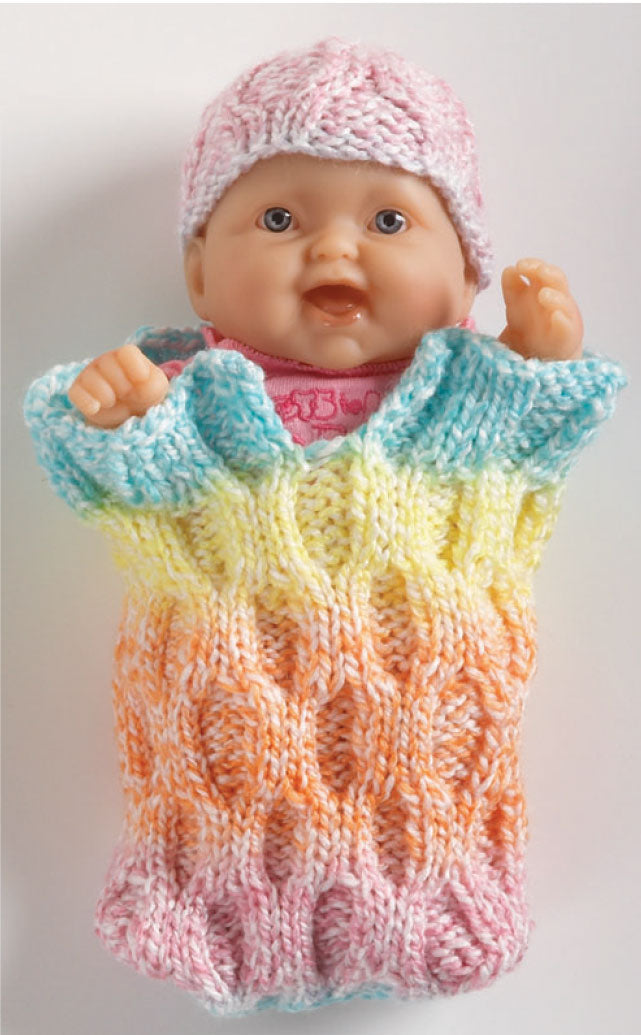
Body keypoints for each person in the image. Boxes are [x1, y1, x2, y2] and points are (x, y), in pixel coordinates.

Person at [23, 37, 626, 1017]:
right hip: (228, 756)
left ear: (466, 276)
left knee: (431, 781)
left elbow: (532, 422)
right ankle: (210, 911)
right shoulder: (185, 399)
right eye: (278, 219)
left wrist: (534, 356)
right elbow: (117, 477)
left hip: (427, 772)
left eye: (388, 220)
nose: (334, 249)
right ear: (198, 272)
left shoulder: (469, 410)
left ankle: (434, 902)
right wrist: (123, 414)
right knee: (220, 778)